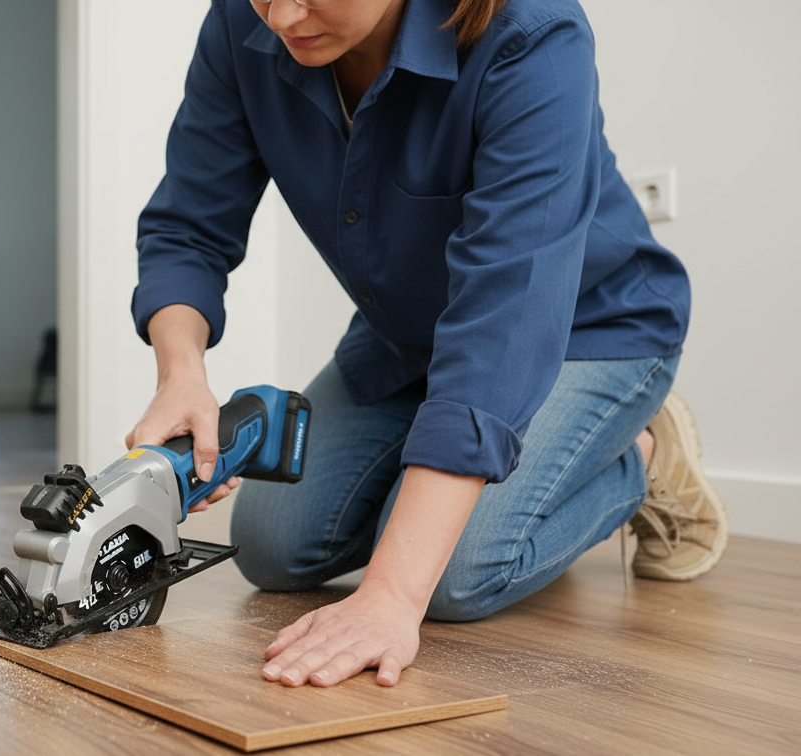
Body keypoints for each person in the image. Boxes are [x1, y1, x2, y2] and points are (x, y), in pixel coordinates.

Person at [125, 0, 727, 689]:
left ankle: (645, 453)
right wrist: (181, 373)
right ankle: (456, 479)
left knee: (450, 580)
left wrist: (392, 595)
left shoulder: (534, 35)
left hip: (582, 330)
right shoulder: (242, 22)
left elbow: (505, 325)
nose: (284, 15)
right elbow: (188, 225)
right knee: (270, 547)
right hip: (408, 342)